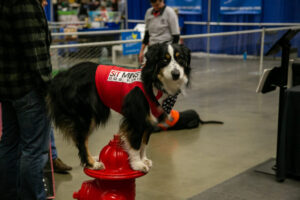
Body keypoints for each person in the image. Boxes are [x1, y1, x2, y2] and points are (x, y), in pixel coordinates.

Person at [0, 1, 52, 199]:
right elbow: (36, 52)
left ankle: (8, 194)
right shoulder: (26, 3)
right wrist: (49, 88)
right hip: (29, 90)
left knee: (9, 144)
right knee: (33, 151)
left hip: (7, 88)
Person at [40, 0, 73, 174]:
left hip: (40, 80)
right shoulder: (28, 12)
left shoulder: (40, 14)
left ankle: (51, 158)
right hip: (30, 84)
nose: (46, 3)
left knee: (47, 118)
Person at [138, 0, 180, 64]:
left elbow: (176, 35)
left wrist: (172, 52)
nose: (155, 7)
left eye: (157, 5)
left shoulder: (170, 12)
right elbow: (147, 34)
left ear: (162, 1)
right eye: (153, 5)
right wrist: (141, 51)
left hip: (166, 48)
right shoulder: (149, 12)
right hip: (152, 48)